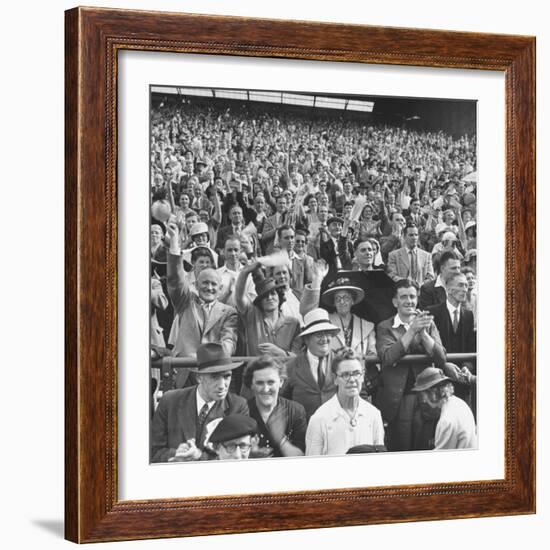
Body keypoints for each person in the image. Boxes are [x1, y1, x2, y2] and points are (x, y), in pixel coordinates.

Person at [375, 279, 446, 451]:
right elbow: (388, 357)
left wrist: (423, 333)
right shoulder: (385, 326)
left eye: (413, 296)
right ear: (395, 302)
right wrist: (412, 330)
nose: (409, 301)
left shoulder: (427, 323)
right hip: (398, 400)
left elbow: (441, 358)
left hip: (427, 397)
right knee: (401, 447)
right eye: (404, 297)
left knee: (426, 446)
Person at [165, 222, 238, 386]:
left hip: (214, 374)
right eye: (204, 283)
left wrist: (206, 360)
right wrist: (175, 242)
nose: (209, 287)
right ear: (196, 286)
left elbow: (229, 343)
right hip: (185, 375)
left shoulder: (229, 312)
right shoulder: (186, 301)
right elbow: (175, 280)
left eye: (213, 284)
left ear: (220, 289)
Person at [150, 343, 248, 462]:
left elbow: (237, 459)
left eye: (227, 376)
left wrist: (199, 456)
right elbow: (152, 452)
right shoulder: (170, 401)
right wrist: (176, 453)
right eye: (215, 377)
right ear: (199, 378)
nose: (222, 385)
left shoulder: (238, 407)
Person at [305, 348, 385, 456]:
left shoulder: (373, 414)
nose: (352, 380)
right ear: (335, 379)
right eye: (345, 375)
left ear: (363, 376)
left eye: (356, 373)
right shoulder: (319, 419)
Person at [282, 308, 341, 420]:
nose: (324, 339)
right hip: (304, 431)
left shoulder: (341, 362)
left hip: (337, 429)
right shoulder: (291, 367)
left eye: (327, 333)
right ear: (306, 339)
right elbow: (282, 402)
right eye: (319, 334)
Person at [234, 261, 302, 357]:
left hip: (284, 371)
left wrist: (280, 353)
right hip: (256, 371)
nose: (269, 298)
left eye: (273, 294)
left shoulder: (293, 323)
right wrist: (245, 273)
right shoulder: (252, 316)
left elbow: (298, 356)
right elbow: (239, 298)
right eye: (265, 296)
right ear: (260, 301)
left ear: (279, 296)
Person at [243, 356, 307, 457]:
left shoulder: (296, 411)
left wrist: (281, 440)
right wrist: (250, 454)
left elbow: (301, 457)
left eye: (270, 382)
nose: (265, 389)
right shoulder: (242, 411)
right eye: (260, 383)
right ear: (251, 384)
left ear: (281, 382)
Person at [411, 367, 477, 450]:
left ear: (433, 392)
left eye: (423, 394)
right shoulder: (460, 403)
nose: (423, 400)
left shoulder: (446, 421)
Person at [320, 277, 377, 357]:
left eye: (346, 298)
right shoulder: (325, 322)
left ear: (352, 301)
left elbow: (373, 355)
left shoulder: (367, 326)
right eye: (337, 299)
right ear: (334, 303)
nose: (342, 302)